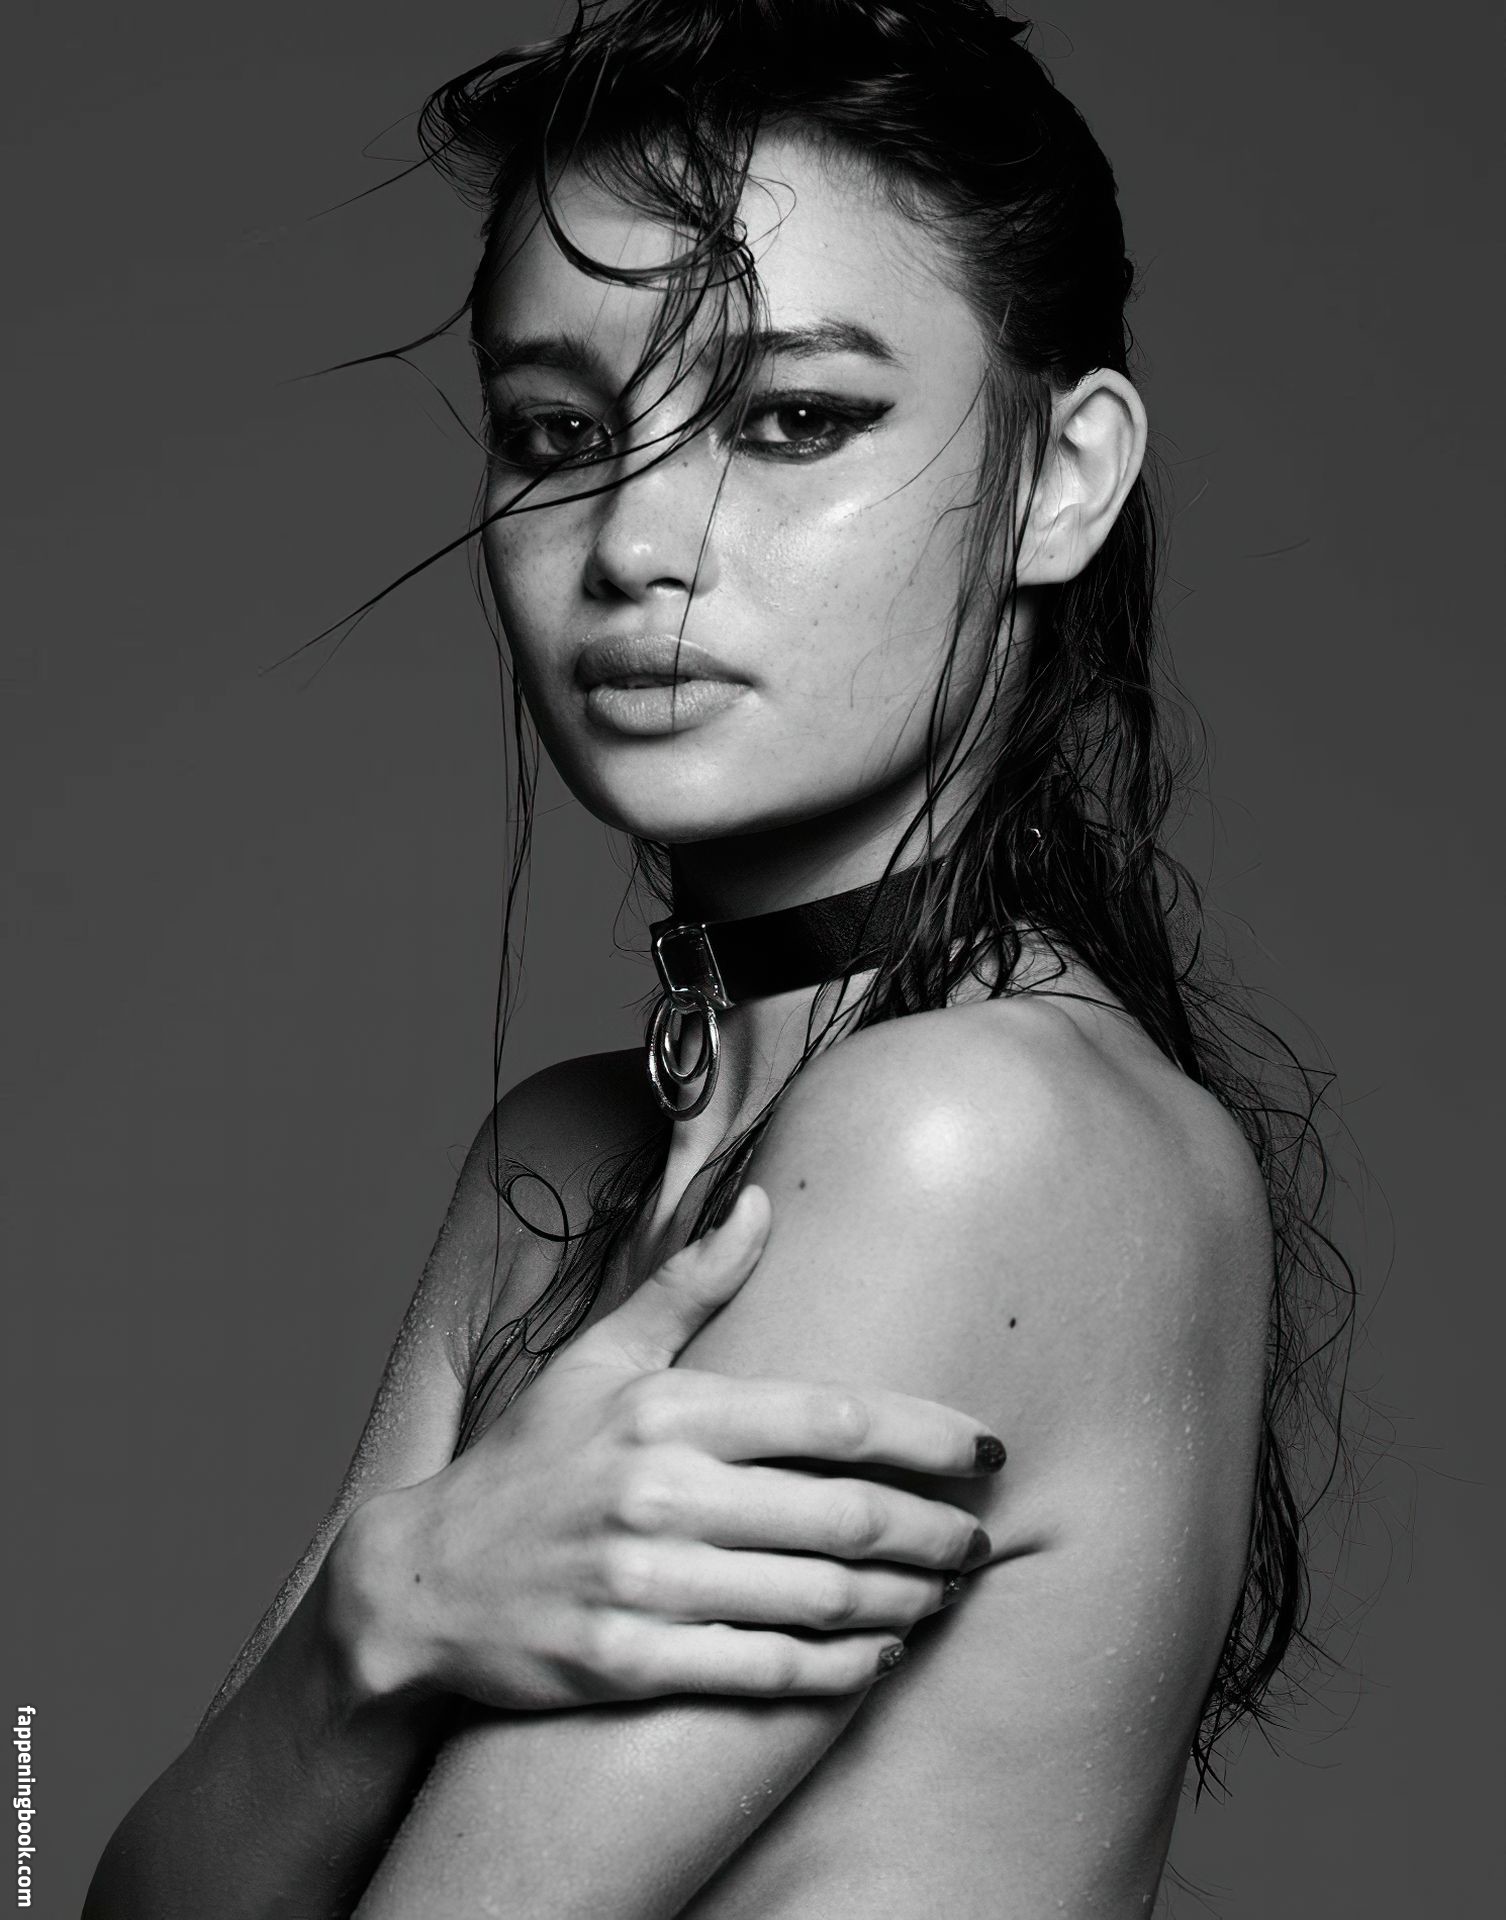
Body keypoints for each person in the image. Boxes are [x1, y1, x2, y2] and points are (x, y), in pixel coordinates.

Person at [84, 1, 1350, 1913]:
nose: (632, 542)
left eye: (791, 420)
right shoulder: (556, 1159)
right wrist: (379, 1619)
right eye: (559, 433)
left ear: (1059, 478)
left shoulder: (969, 1134)